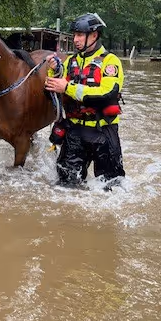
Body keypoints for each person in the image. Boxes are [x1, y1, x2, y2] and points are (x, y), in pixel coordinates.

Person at [44, 13, 125, 190]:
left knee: (111, 189)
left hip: (103, 132)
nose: (75, 39)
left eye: (80, 35)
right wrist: (55, 72)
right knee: (65, 186)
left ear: (94, 35)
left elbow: (107, 94)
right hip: (75, 132)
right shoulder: (70, 61)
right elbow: (53, 91)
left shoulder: (111, 62)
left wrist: (67, 87)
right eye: (75, 35)